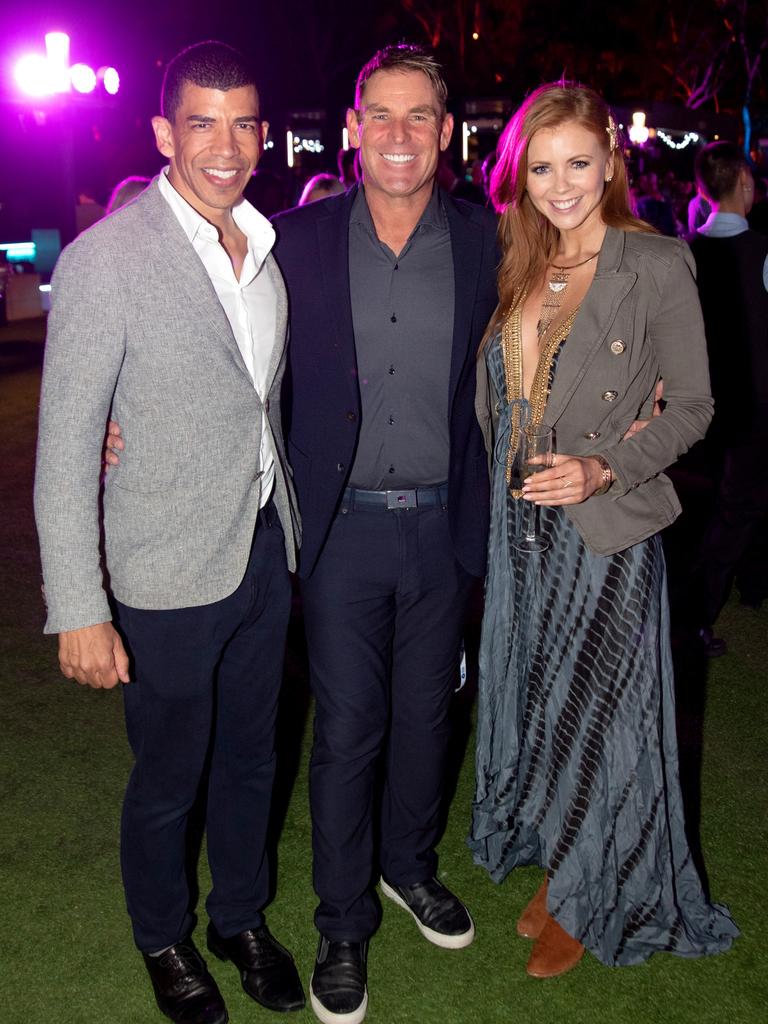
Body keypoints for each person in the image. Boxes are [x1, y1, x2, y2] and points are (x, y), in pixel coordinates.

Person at [34, 41, 304, 1024]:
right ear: (164, 133)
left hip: (261, 554)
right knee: (168, 778)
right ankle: (163, 935)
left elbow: (254, 401)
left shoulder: (266, 250)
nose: (226, 146)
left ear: (262, 133)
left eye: (243, 123)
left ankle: (240, 917)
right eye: (202, 122)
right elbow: (65, 445)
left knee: (251, 761)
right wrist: (79, 606)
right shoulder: (106, 258)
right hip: (161, 574)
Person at [469, 82, 739, 979]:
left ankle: (602, 895)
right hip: (520, 527)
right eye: (541, 166)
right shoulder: (519, 256)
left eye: (578, 162)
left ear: (610, 161)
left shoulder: (653, 262)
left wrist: (605, 466)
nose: (561, 183)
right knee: (544, 705)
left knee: (607, 717)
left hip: (602, 527)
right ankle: (565, 866)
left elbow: (695, 404)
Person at [273, 44, 498, 1024]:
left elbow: (558, 340)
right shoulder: (291, 241)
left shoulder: (493, 242)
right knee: (350, 730)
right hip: (341, 534)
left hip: (447, 525)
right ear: (354, 129)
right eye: (383, 115)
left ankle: (410, 864)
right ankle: (342, 919)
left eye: (421, 116)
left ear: (445, 133)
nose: (400, 134)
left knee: (428, 718)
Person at [687, 141, 768, 650]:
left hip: (696, 402)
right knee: (740, 505)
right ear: (744, 185)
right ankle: (697, 613)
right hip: (753, 404)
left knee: (714, 501)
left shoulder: (682, 250)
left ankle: (751, 583)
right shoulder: (761, 252)